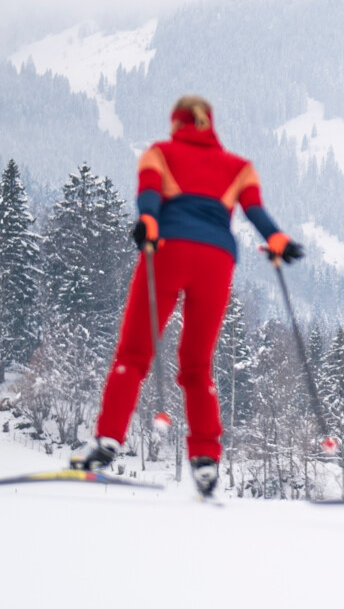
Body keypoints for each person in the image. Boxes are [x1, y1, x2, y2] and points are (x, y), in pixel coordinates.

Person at [70, 95, 303, 497]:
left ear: (175, 122)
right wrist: (278, 240)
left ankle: (107, 439)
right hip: (217, 260)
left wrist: (148, 222)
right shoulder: (240, 167)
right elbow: (255, 212)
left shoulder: (159, 153)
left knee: (134, 353)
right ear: (210, 124)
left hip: (168, 250)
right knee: (197, 364)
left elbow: (149, 196)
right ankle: (207, 460)